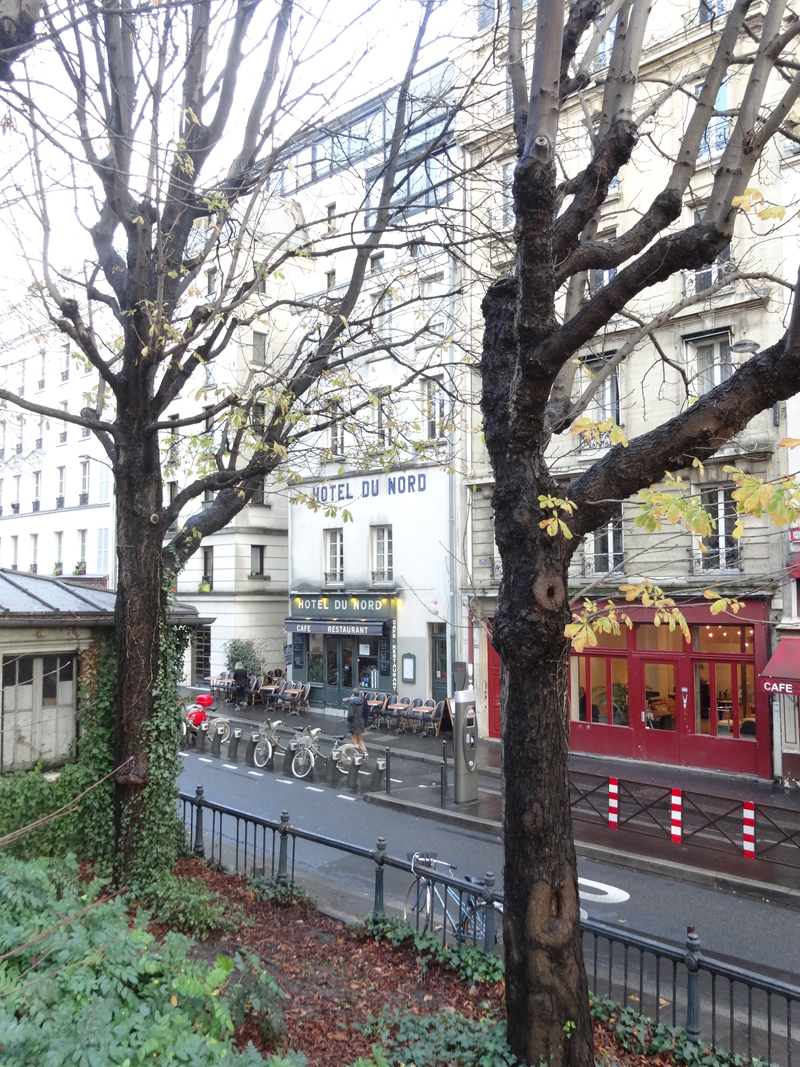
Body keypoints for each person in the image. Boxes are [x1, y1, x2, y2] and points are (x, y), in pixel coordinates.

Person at [346, 691, 369, 758]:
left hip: (353, 723)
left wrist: (348, 720)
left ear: (353, 694)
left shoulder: (351, 702)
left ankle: (355, 754)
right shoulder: (363, 701)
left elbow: (350, 715)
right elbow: (366, 713)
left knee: (354, 739)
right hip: (361, 722)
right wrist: (366, 724)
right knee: (359, 738)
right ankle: (365, 752)